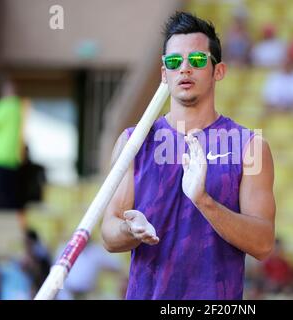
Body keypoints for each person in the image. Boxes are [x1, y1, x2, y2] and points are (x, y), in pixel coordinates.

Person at [101, 12, 275, 300]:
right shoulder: (133, 142)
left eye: (196, 60)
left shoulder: (249, 146)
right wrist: (130, 229)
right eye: (174, 61)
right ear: (163, 74)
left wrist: (204, 201)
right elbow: (109, 234)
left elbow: (263, 243)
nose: (184, 69)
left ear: (218, 71)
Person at [0, 78, 26, 210]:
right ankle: (10, 211)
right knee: (10, 189)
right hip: (12, 155)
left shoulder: (3, 105)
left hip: (0, 154)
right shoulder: (18, 107)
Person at [56, 241, 123, 300]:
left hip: (88, 294)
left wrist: (121, 280)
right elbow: (57, 276)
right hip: (67, 294)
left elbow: (117, 266)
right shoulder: (65, 249)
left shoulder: (95, 251)